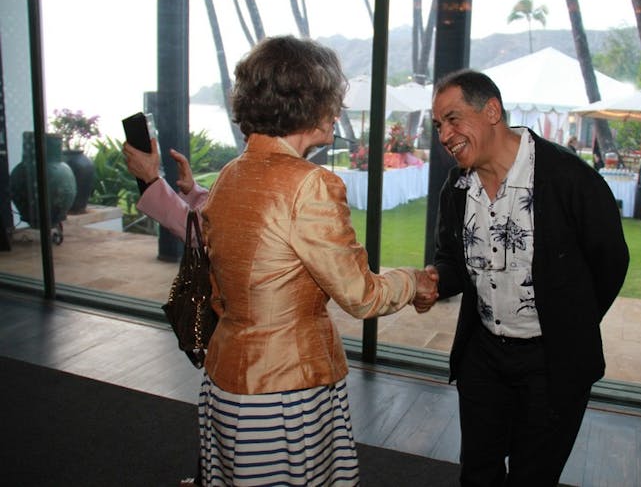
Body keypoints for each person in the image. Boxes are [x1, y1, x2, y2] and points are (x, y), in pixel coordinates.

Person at [126, 35, 438, 487]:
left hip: (227, 380)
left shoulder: (234, 171)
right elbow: (360, 295)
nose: (337, 110)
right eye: (334, 98)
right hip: (285, 390)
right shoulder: (311, 184)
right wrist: (414, 281)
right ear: (308, 102)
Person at [428, 70, 629, 486]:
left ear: (492, 111)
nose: (444, 136)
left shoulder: (569, 178)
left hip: (551, 364)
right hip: (482, 356)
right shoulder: (457, 187)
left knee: (533, 476)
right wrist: (431, 280)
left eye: (452, 119)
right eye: (438, 126)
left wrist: (569, 319)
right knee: (478, 472)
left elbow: (610, 263)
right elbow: (452, 260)